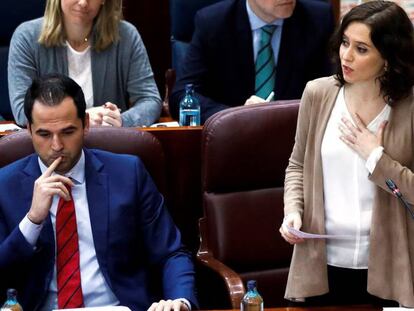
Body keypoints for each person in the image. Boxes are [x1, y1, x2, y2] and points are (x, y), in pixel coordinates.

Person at [0, 74, 197, 311]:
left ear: (86, 124)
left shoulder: (127, 173)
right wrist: (32, 221)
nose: (56, 146)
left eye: (67, 132)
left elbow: (171, 253)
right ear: (29, 129)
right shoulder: (5, 185)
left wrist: (180, 301)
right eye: (44, 134)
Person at [279, 1, 414, 307]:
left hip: (390, 267)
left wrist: (376, 157)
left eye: (361, 49)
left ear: (388, 58)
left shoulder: (409, 108)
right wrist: (293, 211)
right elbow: (297, 165)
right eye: (344, 42)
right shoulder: (318, 93)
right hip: (322, 265)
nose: (346, 56)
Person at [169, 0, 334, 124]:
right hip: (231, 142)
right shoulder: (213, 23)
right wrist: (235, 115)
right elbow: (181, 96)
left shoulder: (318, 20)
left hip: (295, 140)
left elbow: (333, 91)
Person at [8, 0, 161, 128]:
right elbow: (23, 111)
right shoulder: (26, 37)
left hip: (109, 144)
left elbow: (150, 100)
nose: (83, 3)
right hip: (51, 148)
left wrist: (121, 121)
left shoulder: (126, 35)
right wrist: (82, 118)